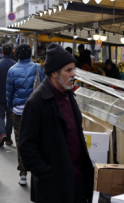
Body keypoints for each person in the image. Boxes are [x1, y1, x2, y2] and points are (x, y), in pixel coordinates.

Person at [19, 43, 94, 203]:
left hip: (78, 182)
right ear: (54, 72)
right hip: (54, 188)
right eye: (68, 70)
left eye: (74, 69)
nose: (74, 74)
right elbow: (26, 147)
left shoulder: (69, 96)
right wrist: (47, 173)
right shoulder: (37, 102)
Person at [6, 44, 45, 186]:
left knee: (21, 141)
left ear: (17, 55)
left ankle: (22, 174)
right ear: (30, 54)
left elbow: (9, 93)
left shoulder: (11, 70)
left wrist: (10, 109)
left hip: (18, 112)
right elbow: (44, 88)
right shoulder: (38, 67)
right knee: (36, 140)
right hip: (36, 111)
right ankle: (37, 171)